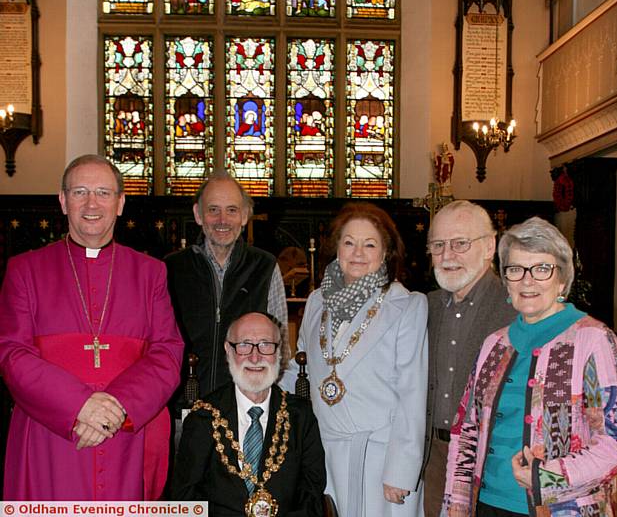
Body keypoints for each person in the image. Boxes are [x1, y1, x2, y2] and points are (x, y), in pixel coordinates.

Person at [0, 154, 184, 500]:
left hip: (127, 432)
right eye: (80, 192)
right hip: (51, 433)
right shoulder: (25, 269)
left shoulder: (150, 273)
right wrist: (78, 406)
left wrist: (118, 407)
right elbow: (12, 352)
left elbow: (167, 351)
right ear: (62, 200)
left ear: (120, 203)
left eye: (103, 192)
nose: (91, 203)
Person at [441, 216, 617, 516]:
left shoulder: (593, 340)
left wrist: (545, 476)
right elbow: (466, 431)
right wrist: (455, 504)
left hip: (563, 508)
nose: (527, 280)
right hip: (485, 505)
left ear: (562, 279)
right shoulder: (495, 344)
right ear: (505, 280)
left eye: (542, 269)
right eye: (516, 269)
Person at [282, 202, 429, 517]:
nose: (358, 252)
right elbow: (301, 368)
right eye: (349, 242)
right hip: (325, 453)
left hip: (381, 456)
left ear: (385, 252)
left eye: (369, 244)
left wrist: (401, 471)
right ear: (336, 249)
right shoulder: (317, 301)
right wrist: (257, 386)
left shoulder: (406, 306)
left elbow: (412, 391)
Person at [172, 312, 326, 516]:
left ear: (279, 353)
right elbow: (185, 498)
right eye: (244, 345)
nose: (255, 357)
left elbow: (311, 493)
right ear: (228, 350)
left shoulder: (300, 416)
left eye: (265, 345)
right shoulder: (203, 418)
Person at [422, 200, 516, 517]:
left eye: (460, 243)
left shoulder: (516, 308)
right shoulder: (424, 307)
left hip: (494, 463)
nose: (448, 255)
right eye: (438, 245)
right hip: (436, 458)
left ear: (489, 246)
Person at [165, 169, 288, 409]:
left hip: (245, 406)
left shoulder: (265, 266)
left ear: (244, 216)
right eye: (213, 210)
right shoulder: (170, 269)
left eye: (232, 210)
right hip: (183, 404)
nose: (223, 220)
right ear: (198, 215)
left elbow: (280, 345)